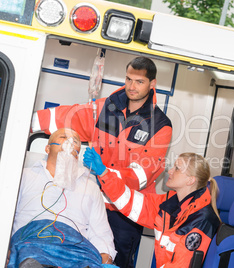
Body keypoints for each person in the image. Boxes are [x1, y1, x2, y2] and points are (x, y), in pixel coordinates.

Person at [31, 56, 172, 267]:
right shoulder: (106, 107)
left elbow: (141, 176)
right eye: (128, 79)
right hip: (93, 200)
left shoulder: (161, 126)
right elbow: (68, 117)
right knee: (81, 256)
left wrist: (103, 172)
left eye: (139, 82)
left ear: (152, 84)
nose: (132, 87)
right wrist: (25, 119)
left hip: (125, 210)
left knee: (118, 261)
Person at [84, 151, 221, 267]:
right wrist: (104, 173)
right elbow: (130, 201)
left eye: (177, 168)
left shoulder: (201, 218)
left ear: (190, 180)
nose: (170, 171)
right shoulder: (170, 203)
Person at [8, 128, 116, 268]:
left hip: (77, 250)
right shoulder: (24, 176)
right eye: (63, 137)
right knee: (28, 257)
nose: (69, 141)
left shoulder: (90, 187)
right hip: (32, 243)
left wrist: (104, 261)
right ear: (47, 148)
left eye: (75, 140)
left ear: (77, 154)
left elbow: (101, 234)